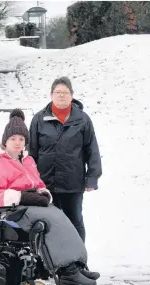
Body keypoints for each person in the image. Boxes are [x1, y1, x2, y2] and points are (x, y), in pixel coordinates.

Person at [0, 108, 100, 285]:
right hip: (12, 211)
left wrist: (43, 194)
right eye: (13, 139)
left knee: (61, 216)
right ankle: (66, 273)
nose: (18, 143)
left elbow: (37, 183)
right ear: (5, 141)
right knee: (51, 223)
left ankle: (77, 266)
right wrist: (22, 196)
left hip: (29, 205)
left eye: (21, 139)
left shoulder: (27, 161)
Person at [28, 77, 102, 243]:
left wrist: (92, 177)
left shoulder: (83, 119)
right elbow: (31, 153)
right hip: (45, 184)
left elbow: (92, 150)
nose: (61, 96)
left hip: (73, 184)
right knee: (47, 224)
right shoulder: (39, 120)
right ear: (51, 95)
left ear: (72, 95)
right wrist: (31, 180)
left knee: (74, 221)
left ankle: (78, 262)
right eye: (58, 92)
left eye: (65, 92)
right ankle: (51, 265)